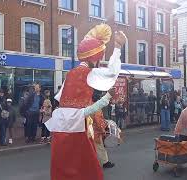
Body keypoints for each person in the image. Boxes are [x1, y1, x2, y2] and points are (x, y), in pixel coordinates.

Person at [45, 24, 126, 180]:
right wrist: (117, 46)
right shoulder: (89, 73)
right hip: (77, 125)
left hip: (60, 124)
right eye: (100, 58)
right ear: (95, 58)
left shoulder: (70, 74)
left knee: (62, 165)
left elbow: (60, 99)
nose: (100, 62)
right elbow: (112, 73)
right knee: (85, 167)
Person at [92, 91, 114, 169]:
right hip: (96, 132)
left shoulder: (89, 106)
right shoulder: (96, 108)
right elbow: (98, 121)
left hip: (90, 131)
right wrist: (103, 130)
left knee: (94, 148)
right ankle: (105, 162)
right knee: (100, 148)